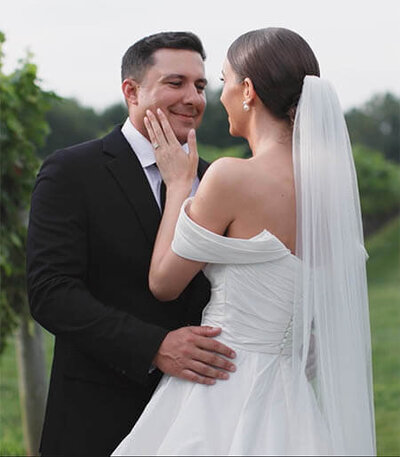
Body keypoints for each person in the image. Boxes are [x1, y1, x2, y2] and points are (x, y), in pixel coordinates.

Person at [112, 27, 376, 455]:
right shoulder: (329, 191)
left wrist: (180, 185)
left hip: (220, 387)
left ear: (248, 90)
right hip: (292, 398)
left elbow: (164, 282)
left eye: (222, 81)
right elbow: (315, 326)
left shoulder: (231, 177)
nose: (218, 97)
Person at [26, 32, 237, 457]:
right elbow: (51, 293)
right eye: (175, 83)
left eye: (200, 86)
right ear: (131, 91)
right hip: (99, 416)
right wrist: (154, 347)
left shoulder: (218, 182)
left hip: (203, 416)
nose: (193, 98)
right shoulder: (72, 171)